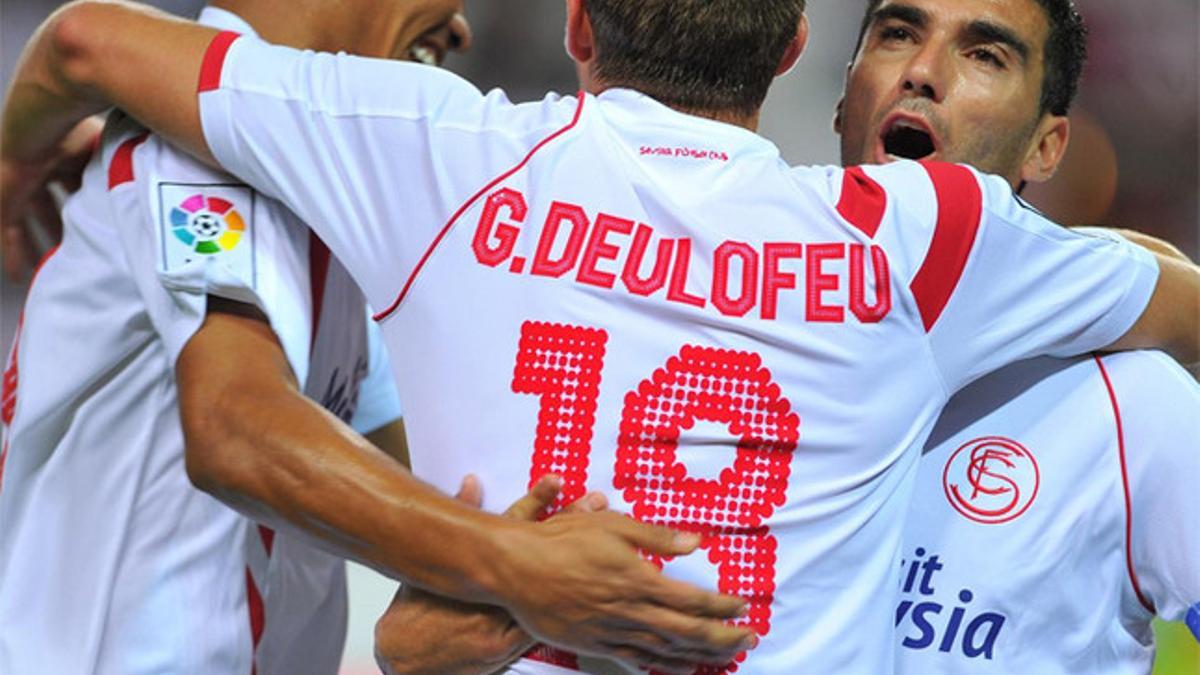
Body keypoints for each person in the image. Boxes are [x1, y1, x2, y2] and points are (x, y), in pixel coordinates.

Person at [5, 0, 1198, 672]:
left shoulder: (446, 155)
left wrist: (476, 579)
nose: (464, 23)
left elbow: (82, 42)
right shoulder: (919, 234)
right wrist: (481, 579)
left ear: (576, 25)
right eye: (898, 31)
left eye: (984, 53)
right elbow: (243, 432)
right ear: (805, 60)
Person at [0, 2, 755, 674]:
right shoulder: (192, 142)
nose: (460, 26)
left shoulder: (338, 210)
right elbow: (233, 430)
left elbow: (423, 475)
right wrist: (513, 564)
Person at [834, 0, 1200, 671]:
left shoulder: (1136, 405)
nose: (922, 70)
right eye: (897, 34)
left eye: (985, 54)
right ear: (841, 98)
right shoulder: (727, 332)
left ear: (1047, 145)